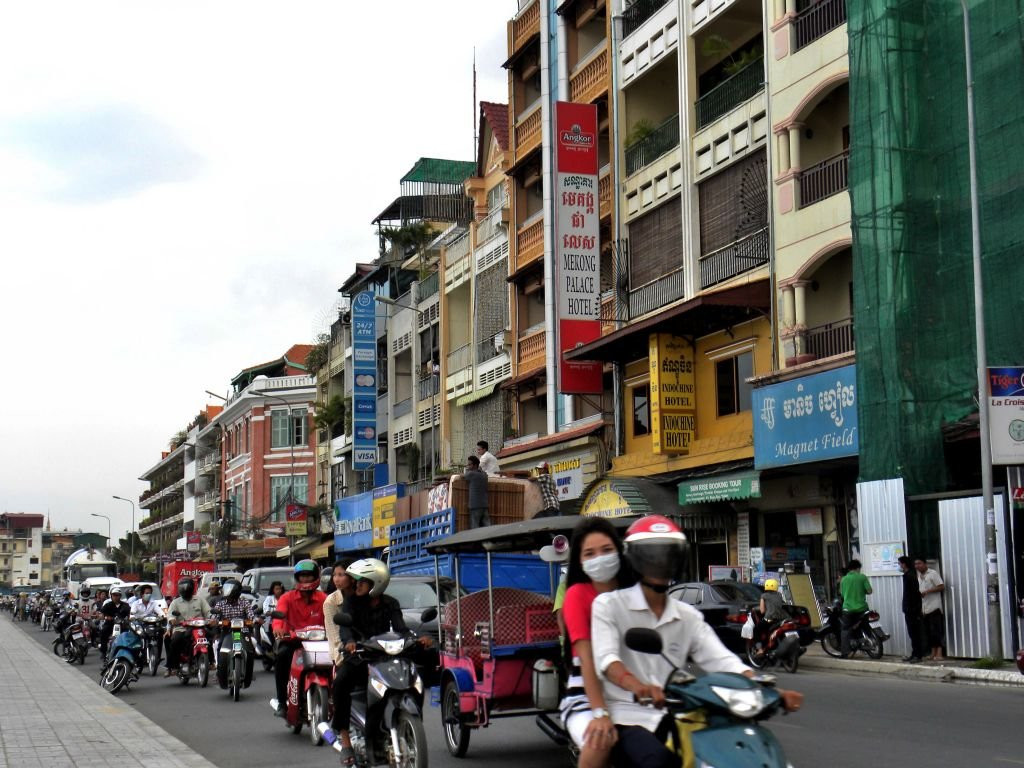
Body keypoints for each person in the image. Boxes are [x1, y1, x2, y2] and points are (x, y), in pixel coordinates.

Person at [591, 516, 803, 768]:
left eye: (667, 556)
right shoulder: (609, 605)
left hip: (681, 714)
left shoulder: (687, 616)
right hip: (626, 713)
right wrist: (638, 687)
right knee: (657, 762)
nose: (660, 563)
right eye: (652, 556)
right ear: (636, 561)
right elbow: (607, 660)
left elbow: (721, 660)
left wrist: (763, 686)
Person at [328, 558, 433, 766]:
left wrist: (417, 638)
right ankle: (346, 740)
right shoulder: (351, 603)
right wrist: (349, 642)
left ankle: (404, 722)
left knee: (417, 670)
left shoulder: (390, 603)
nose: (356, 585)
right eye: (356, 581)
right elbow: (345, 627)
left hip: (384, 655)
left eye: (361, 582)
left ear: (376, 583)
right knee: (340, 682)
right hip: (360, 655)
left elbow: (401, 628)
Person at [560, 517, 636, 768]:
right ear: (580, 561)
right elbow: (587, 657)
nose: (599, 558)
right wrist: (600, 713)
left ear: (618, 550)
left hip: (633, 689)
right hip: (586, 693)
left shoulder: (635, 593)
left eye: (606, 550)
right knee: (600, 740)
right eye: (589, 554)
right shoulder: (577, 595)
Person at [272, 559, 327, 717]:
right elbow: (279, 617)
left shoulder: (324, 598)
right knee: (282, 658)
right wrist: (278, 628)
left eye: (309, 576)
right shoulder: (287, 598)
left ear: (315, 577)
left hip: (319, 643)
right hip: (293, 642)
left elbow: (331, 618)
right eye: (302, 576)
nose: (305, 579)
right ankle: (282, 702)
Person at [211, 579, 258, 689]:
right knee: (219, 646)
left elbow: (251, 615)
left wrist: (254, 620)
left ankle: (249, 673)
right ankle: (220, 672)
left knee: (252, 647)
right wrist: (214, 620)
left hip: (243, 631)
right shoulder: (221, 604)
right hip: (227, 632)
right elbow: (214, 615)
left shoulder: (244, 602)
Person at [164, 577, 212, 677]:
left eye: (187, 586)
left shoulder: (200, 600)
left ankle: (212, 662)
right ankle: (173, 666)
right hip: (182, 628)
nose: (185, 589)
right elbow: (170, 615)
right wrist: (172, 619)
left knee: (212, 638)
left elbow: (208, 612)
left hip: (199, 628)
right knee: (175, 641)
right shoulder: (175, 602)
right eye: (183, 587)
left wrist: (212, 618)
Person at [323, 560, 356, 668]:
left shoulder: (361, 596)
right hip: (343, 654)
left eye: (341, 575)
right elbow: (335, 636)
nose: (336, 579)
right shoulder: (331, 601)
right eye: (334, 575)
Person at [839, 559, 873, 658]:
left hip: (848, 609)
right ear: (858, 568)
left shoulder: (843, 579)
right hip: (862, 608)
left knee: (845, 630)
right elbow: (869, 591)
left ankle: (846, 652)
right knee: (864, 625)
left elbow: (841, 594)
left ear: (849, 569)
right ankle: (866, 641)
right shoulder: (862, 577)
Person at [915, 558, 946, 661]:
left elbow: (941, 586)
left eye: (919, 563)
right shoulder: (919, 576)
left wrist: (928, 591)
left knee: (936, 631)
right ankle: (933, 652)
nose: (917, 566)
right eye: (915, 564)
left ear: (925, 564)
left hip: (934, 607)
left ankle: (939, 653)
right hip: (925, 608)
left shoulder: (932, 573)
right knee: (929, 632)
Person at [751, 578, 788, 659]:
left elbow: (762, 611)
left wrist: (757, 608)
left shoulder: (764, 596)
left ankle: (760, 649)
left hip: (769, 619)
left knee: (756, 629)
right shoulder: (779, 595)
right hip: (780, 620)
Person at [898, 556, 925, 663]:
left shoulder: (910, 576)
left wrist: (915, 609)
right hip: (909, 608)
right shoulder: (907, 575)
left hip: (912, 609)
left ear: (904, 564)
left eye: (900, 563)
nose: (899, 566)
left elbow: (914, 594)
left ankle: (918, 655)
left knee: (915, 633)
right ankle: (914, 653)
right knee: (912, 633)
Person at [98, 587, 131, 660]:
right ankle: (103, 652)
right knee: (103, 632)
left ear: (120, 596)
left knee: (129, 634)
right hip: (110, 624)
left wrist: (129, 618)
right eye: (114, 595)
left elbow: (130, 614)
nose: (116, 597)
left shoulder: (125, 605)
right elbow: (101, 614)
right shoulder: (108, 605)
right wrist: (104, 617)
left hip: (122, 625)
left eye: (118, 595)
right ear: (111, 596)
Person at [464, 454, 490, 528]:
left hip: (475, 505)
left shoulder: (471, 474)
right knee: (487, 527)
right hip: (484, 505)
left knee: (475, 528)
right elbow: (483, 473)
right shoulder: (484, 475)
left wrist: (467, 469)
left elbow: (465, 475)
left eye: (469, 464)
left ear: (475, 465)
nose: (468, 466)